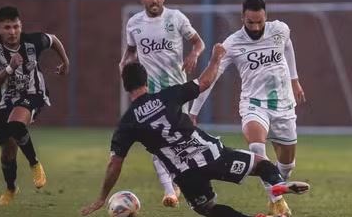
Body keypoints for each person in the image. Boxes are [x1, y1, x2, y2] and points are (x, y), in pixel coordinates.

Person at [80, 44, 310, 217]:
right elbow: (204, 83)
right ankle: (276, 185)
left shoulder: (127, 122)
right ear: (147, 81)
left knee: (207, 208)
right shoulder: (167, 95)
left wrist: (101, 197)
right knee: (262, 165)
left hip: (185, 173)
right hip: (211, 154)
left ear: (125, 86)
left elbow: (115, 163)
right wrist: (216, 58)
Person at [189, 0, 306, 217]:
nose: (255, 27)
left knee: (287, 166)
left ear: (266, 17)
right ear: (243, 17)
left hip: (283, 104)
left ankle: (276, 193)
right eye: (250, 22)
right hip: (254, 103)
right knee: (256, 148)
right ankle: (278, 199)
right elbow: (210, 79)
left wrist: (294, 79)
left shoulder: (281, 30)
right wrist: (194, 112)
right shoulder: (232, 44)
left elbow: (288, 46)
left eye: (259, 22)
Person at [119, 0, 205, 207]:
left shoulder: (176, 18)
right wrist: (124, 64)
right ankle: (170, 191)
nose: (154, 0)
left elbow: (198, 43)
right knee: (157, 141)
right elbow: (130, 51)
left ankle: (184, 183)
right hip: (151, 92)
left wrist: (194, 55)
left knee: (182, 141)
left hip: (176, 91)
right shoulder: (134, 23)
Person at [0, 6, 70, 206]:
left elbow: (53, 39)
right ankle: (11, 188)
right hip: (4, 101)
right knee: (7, 152)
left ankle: (34, 163)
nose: (13, 32)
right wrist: (9, 67)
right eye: (7, 28)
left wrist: (65, 62)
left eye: (16, 27)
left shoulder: (33, 41)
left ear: (21, 26)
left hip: (33, 93)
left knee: (16, 123)